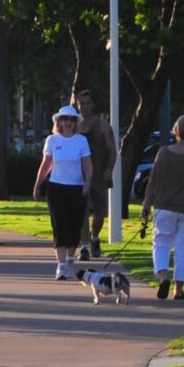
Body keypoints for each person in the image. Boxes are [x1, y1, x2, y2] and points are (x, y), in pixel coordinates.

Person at [31, 105, 92, 281]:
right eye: (64, 120)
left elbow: (87, 165)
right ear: (59, 122)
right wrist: (37, 184)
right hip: (56, 187)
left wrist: (87, 183)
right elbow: (46, 164)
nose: (68, 123)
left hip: (76, 188)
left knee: (75, 226)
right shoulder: (52, 140)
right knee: (60, 224)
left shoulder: (81, 141)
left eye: (71, 120)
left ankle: (71, 258)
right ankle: (62, 265)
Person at [141, 114, 184, 302]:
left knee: (161, 243)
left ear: (176, 131)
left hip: (164, 206)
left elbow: (152, 182)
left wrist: (146, 205)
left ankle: (163, 276)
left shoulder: (163, 152)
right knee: (183, 247)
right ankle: (178, 289)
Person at [75, 86, 117, 257]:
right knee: (83, 212)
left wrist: (109, 169)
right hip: (79, 177)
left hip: (99, 175)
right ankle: (84, 246)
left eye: (87, 103)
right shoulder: (73, 126)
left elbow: (112, 150)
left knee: (99, 215)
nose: (84, 107)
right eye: (81, 104)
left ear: (93, 105)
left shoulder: (102, 126)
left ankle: (94, 237)